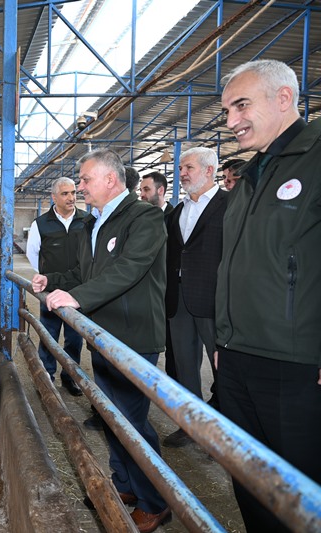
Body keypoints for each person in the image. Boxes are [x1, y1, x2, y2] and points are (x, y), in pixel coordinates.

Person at [32, 149, 170, 533]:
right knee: (110, 413)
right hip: (105, 332)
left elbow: (129, 269)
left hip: (132, 333)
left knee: (131, 421)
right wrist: (54, 280)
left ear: (111, 180)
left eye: (86, 179)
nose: (80, 187)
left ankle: (155, 501)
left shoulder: (144, 217)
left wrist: (80, 298)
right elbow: (84, 271)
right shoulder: (96, 223)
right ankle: (125, 485)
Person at [218, 59, 321, 532]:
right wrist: (222, 342)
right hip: (237, 358)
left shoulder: (316, 156)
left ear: (284, 99)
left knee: (297, 493)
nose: (231, 120)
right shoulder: (250, 175)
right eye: (226, 110)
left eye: (242, 105)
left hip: (294, 363)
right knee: (250, 484)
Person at [161, 147, 227, 448]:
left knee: (223, 370)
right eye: (181, 168)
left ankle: (224, 435)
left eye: (188, 168)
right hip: (179, 300)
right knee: (185, 367)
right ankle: (191, 427)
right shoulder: (177, 211)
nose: (182, 173)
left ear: (209, 170)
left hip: (214, 301)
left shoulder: (230, 205)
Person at [25, 177, 89, 396]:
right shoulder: (41, 223)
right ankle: (47, 377)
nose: (71, 198)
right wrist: (48, 276)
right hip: (51, 290)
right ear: (54, 197)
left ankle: (70, 377)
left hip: (77, 290)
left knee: (74, 337)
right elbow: (32, 254)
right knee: (49, 334)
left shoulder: (86, 220)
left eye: (73, 193)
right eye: (65, 194)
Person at [140, 171, 177, 384]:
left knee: (175, 351)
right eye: (141, 190)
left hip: (171, 293)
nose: (142, 195)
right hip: (149, 293)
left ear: (160, 190)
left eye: (146, 190)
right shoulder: (141, 217)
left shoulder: (174, 216)